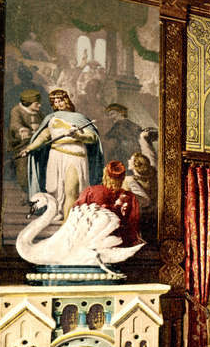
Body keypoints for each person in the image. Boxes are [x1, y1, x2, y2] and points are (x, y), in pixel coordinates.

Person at [20, 88, 104, 223]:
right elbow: (43, 136)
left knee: (71, 190)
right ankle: (59, 212)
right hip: (56, 157)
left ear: (67, 100)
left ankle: (67, 223)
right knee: (55, 191)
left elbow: (92, 138)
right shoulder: (52, 118)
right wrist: (29, 148)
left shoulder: (80, 119)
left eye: (61, 100)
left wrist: (77, 135)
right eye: (56, 101)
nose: (59, 103)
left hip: (75, 156)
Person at [74, 160, 143, 247]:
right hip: (120, 242)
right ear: (122, 178)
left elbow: (77, 213)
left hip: (92, 241)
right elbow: (133, 224)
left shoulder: (91, 191)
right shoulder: (129, 197)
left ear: (105, 175)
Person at [8, 89, 44, 194]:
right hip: (22, 145)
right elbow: (14, 124)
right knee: (23, 171)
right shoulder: (16, 110)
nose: (39, 105)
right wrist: (22, 129)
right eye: (37, 103)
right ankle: (26, 193)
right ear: (28, 103)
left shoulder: (39, 113)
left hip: (37, 145)